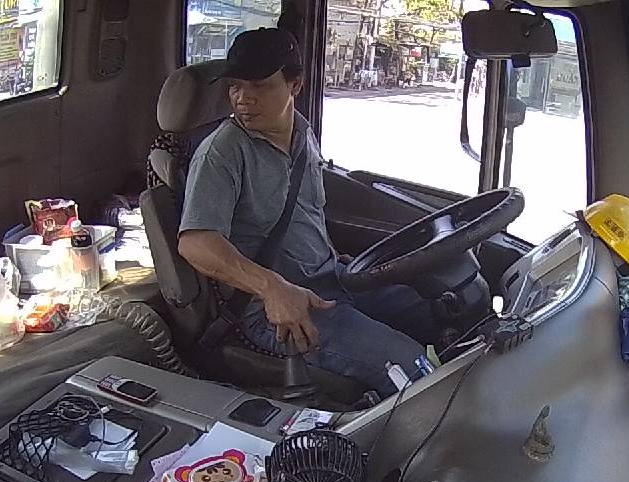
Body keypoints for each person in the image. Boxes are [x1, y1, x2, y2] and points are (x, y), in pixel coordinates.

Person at [177, 27, 438, 396]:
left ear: (295, 85)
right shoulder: (221, 153)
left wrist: (329, 255)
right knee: (413, 368)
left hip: (332, 279)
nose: (243, 99)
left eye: (259, 86)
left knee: (433, 313)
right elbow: (196, 244)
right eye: (235, 86)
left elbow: (306, 212)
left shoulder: (301, 132)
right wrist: (272, 288)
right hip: (274, 311)